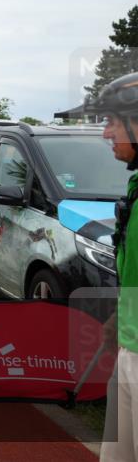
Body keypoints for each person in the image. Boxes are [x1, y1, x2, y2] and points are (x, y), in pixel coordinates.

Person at [87, 72, 138, 462]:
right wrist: (120, 318)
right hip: (130, 349)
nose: (106, 134)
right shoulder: (136, 191)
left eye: (111, 122)